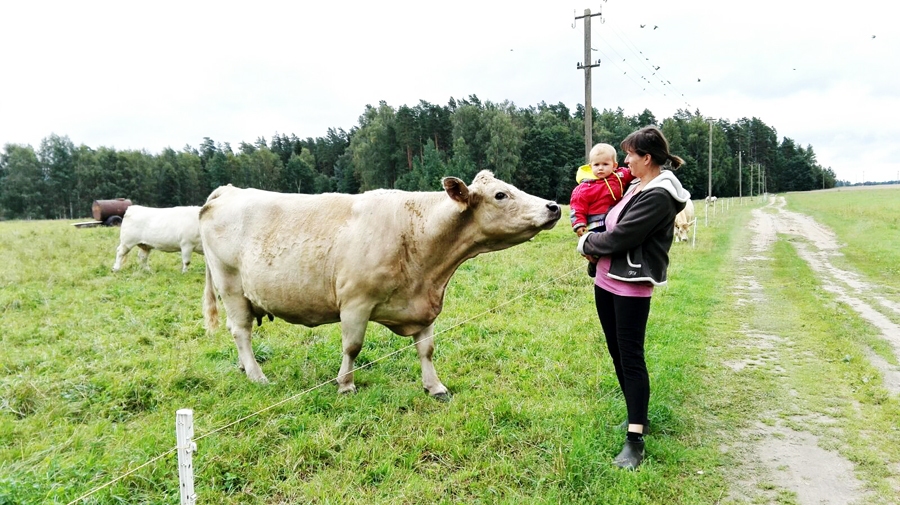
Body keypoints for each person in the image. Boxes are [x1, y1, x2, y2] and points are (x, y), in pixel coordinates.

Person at [576, 126, 691, 470]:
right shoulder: (637, 185)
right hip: (608, 280)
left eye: (630, 155)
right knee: (616, 352)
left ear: (647, 158)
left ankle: (635, 440)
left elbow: (623, 236)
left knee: (631, 357)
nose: (625, 160)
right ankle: (635, 417)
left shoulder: (658, 195)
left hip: (630, 285)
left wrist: (586, 244)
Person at [569, 143, 635, 277]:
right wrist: (579, 224)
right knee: (598, 247)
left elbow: (635, 173)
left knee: (617, 245)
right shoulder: (585, 187)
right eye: (596, 165)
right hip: (597, 223)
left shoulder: (621, 176)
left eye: (605, 164)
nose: (600, 168)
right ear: (590, 166)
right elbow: (577, 206)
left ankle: (616, 266)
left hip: (617, 219)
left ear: (614, 165)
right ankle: (594, 263)